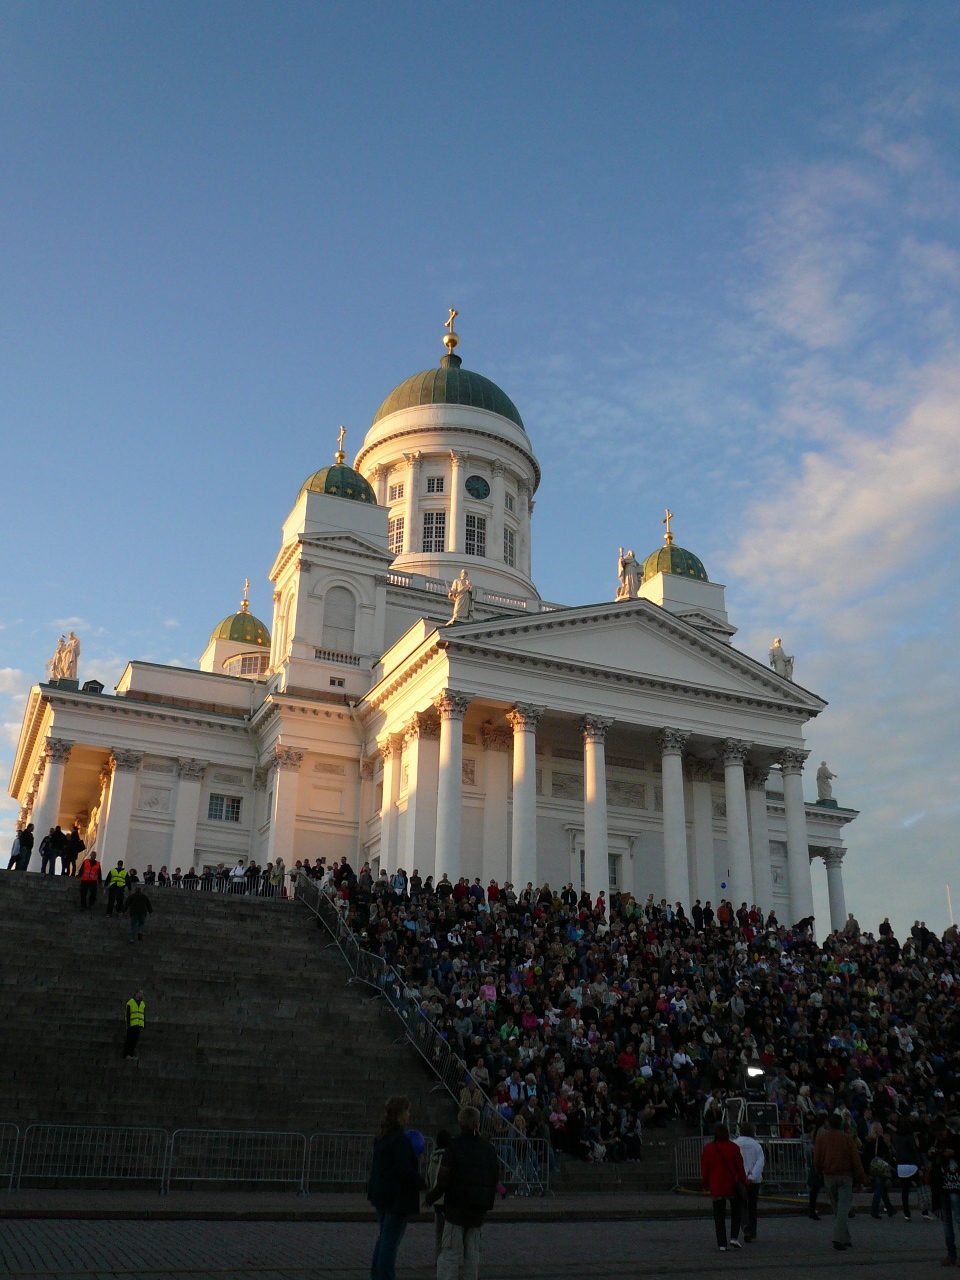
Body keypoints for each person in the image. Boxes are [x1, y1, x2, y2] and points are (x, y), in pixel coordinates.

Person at [427, 1106, 500, 1280]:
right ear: (477, 1124)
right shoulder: (488, 1148)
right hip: (478, 1207)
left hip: (456, 1206)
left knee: (451, 1251)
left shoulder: (454, 1146)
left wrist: (431, 1197)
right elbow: (494, 1176)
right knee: (472, 1252)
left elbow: (443, 1178)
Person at [367, 1095, 422, 1280]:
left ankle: (377, 1274)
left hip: (381, 1194)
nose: (409, 1115)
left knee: (384, 1237)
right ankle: (386, 1275)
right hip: (396, 1197)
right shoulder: (400, 1139)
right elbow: (404, 1170)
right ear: (400, 1114)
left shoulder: (383, 1136)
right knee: (390, 1241)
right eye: (407, 1111)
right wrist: (422, 1182)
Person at [814, 1113, 866, 1251]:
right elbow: (855, 1160)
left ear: (828, 1124)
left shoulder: (821, 1138)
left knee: (837, 1208)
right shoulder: (847, 1139)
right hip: (845, 1176)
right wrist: (861, 1178)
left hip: (828, 1175)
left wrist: (818, 1172)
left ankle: (845, 1237)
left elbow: (817, 1158)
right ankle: (839, 1238)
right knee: (843, 1207)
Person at [701, 1122, 748, 1251]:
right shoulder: (734, 1147)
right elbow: (740, 1168)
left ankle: (721, 1243)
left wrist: (705, 1184)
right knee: (736, 1212)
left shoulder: (709, 1148)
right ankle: (734, 1237)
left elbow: (705, 1169)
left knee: (719, 1216)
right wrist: (744, 1183)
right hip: (732, 1184)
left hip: (716, 1184)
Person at [734, 1121, 764, 1242]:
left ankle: (745, 1225)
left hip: (739, 1179)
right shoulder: (756, 1146)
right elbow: (760, 1162)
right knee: (752, 1205)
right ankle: (752, 1231)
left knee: (741, 1204)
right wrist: (752, 1176)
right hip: (754, 1180)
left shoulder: (735, 1144)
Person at [427, 1129, 452, 1262]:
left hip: (436, 1200)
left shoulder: (433, 1158)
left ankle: (437, 1258)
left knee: (438, 1233)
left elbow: (429, 1178)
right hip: (447, 1199)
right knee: (449, 1233)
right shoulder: (449, 1157)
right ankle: (446, 1260)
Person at [863, 1121, 897, 1219]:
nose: (882, 1131)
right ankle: (874, 1210)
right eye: (880, 1129)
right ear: (875, 1130)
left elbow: (866, 1156)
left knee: (883, 1189)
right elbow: (886, 1155)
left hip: (872, 1168)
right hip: (880, 1168)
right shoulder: (881, 1141)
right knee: (879, 1189)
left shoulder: (868, 1141)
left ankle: (890, 1209)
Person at [123, 989, 145, 1060]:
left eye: (142, 993)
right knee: (129, 1040)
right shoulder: (130, 1002)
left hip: (139, 1024)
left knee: (134, 1041)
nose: (141, 995)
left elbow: (143, 1014)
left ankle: (131, 1054)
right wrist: (128, 1025)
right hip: (132, 1024)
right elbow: (127, 1014)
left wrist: (144, 1024)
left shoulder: (142, 1003)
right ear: (136, 993)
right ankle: (126, 1054)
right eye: (140, 993)